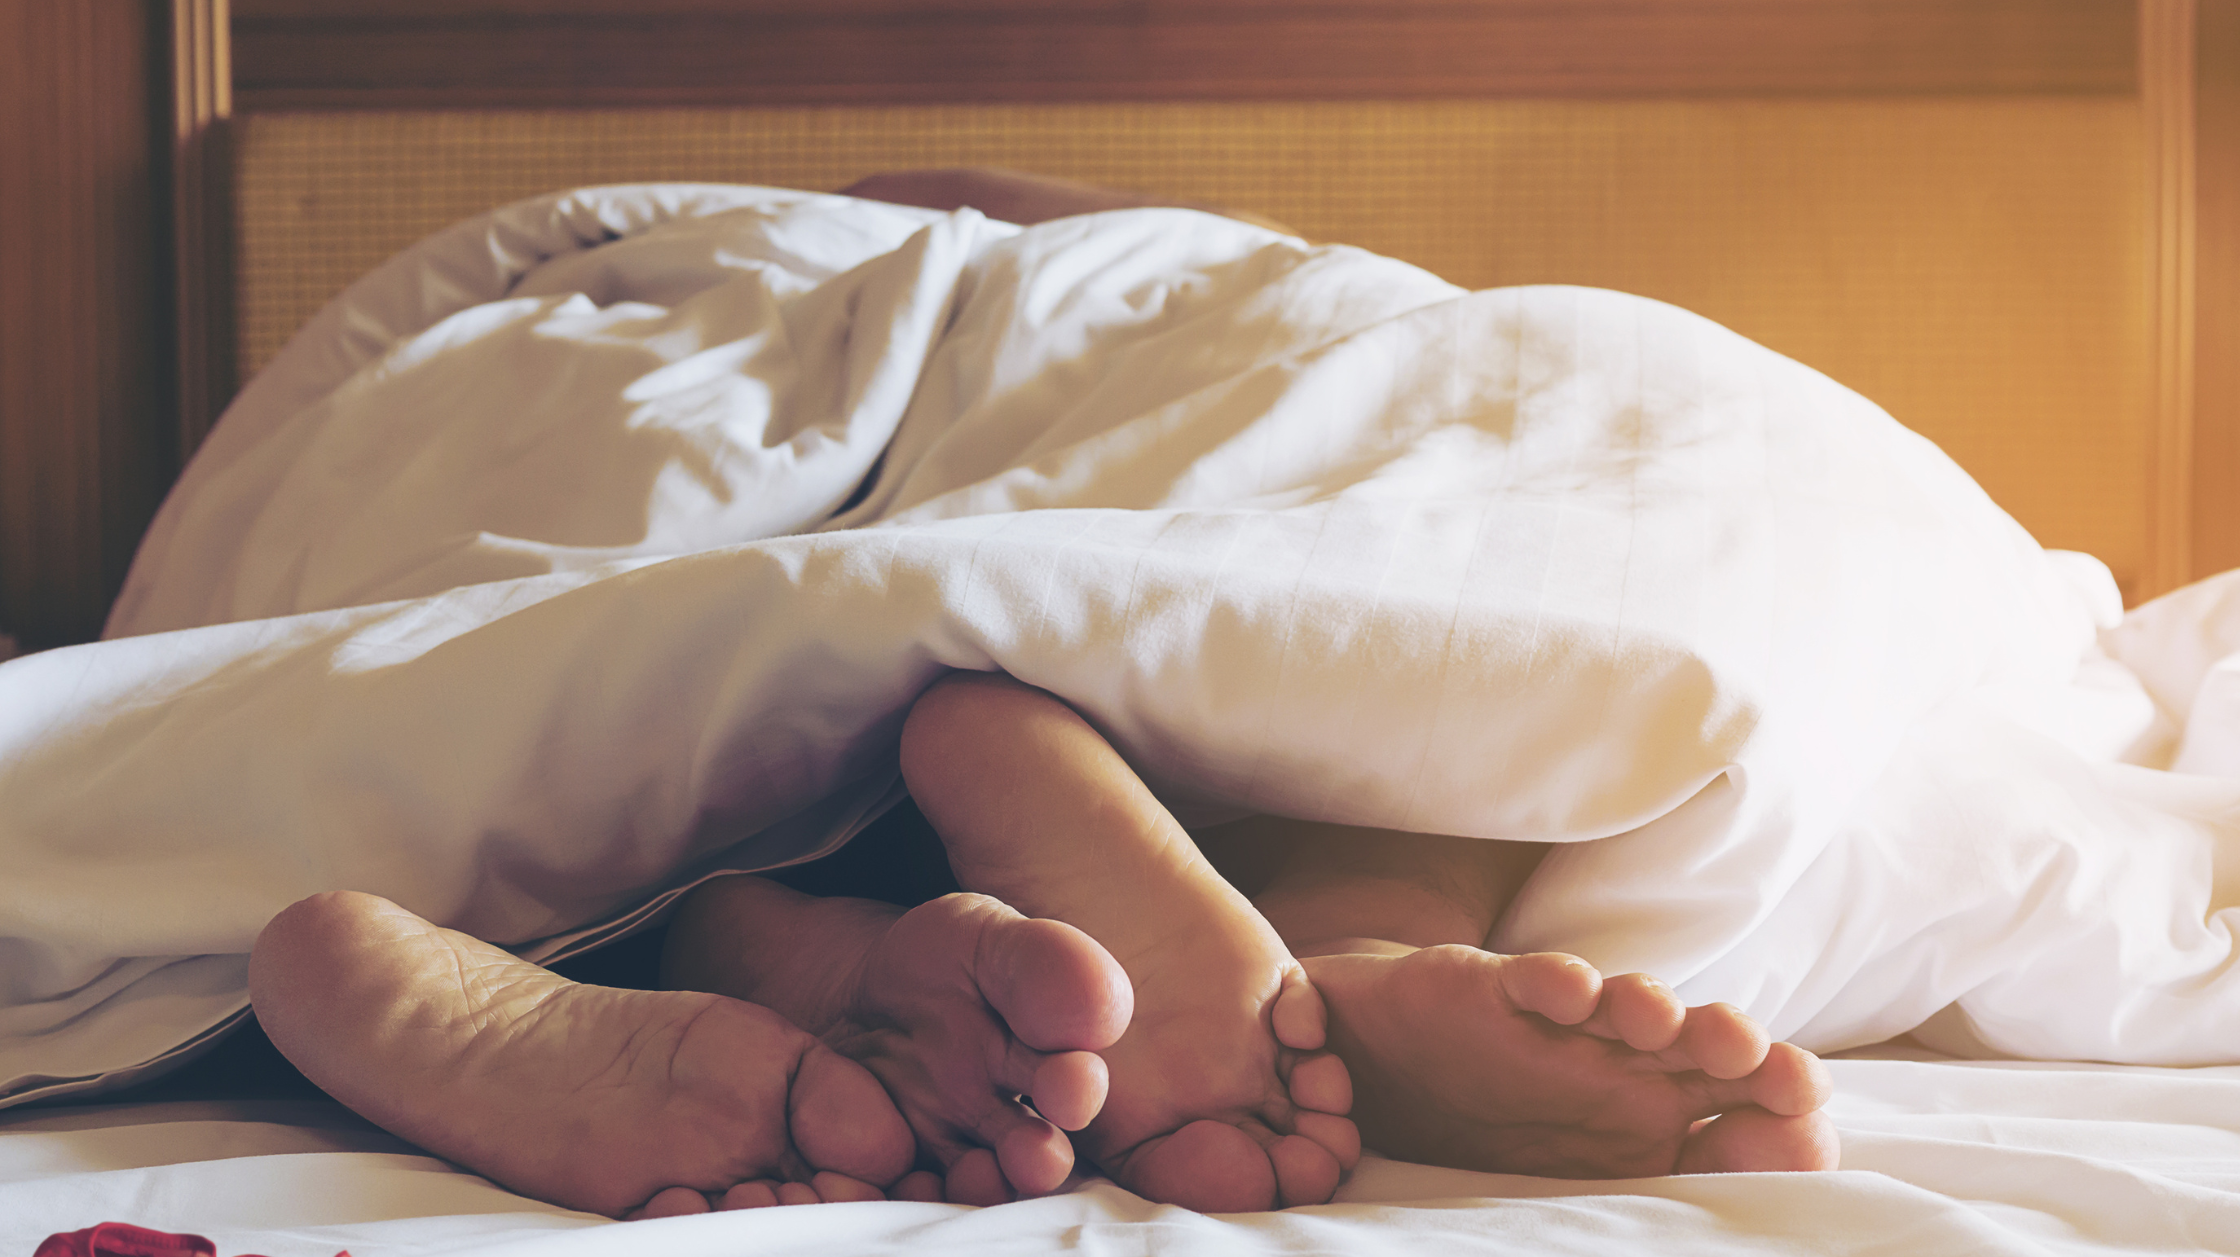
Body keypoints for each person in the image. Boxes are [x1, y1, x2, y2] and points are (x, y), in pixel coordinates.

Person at [250, 672, 1836, 1220]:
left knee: (1476, 679)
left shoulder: (573, 284)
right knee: (1464, 683)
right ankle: (1332, 966)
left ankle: (737, 938)